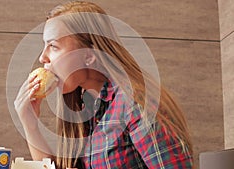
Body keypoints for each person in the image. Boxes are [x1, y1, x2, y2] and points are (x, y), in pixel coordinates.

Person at [14, 1, 193, 169]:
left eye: (53, 46)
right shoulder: (84, 107)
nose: (42, 58)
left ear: (89, 55)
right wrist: (30, 124)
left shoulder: (133, 103)